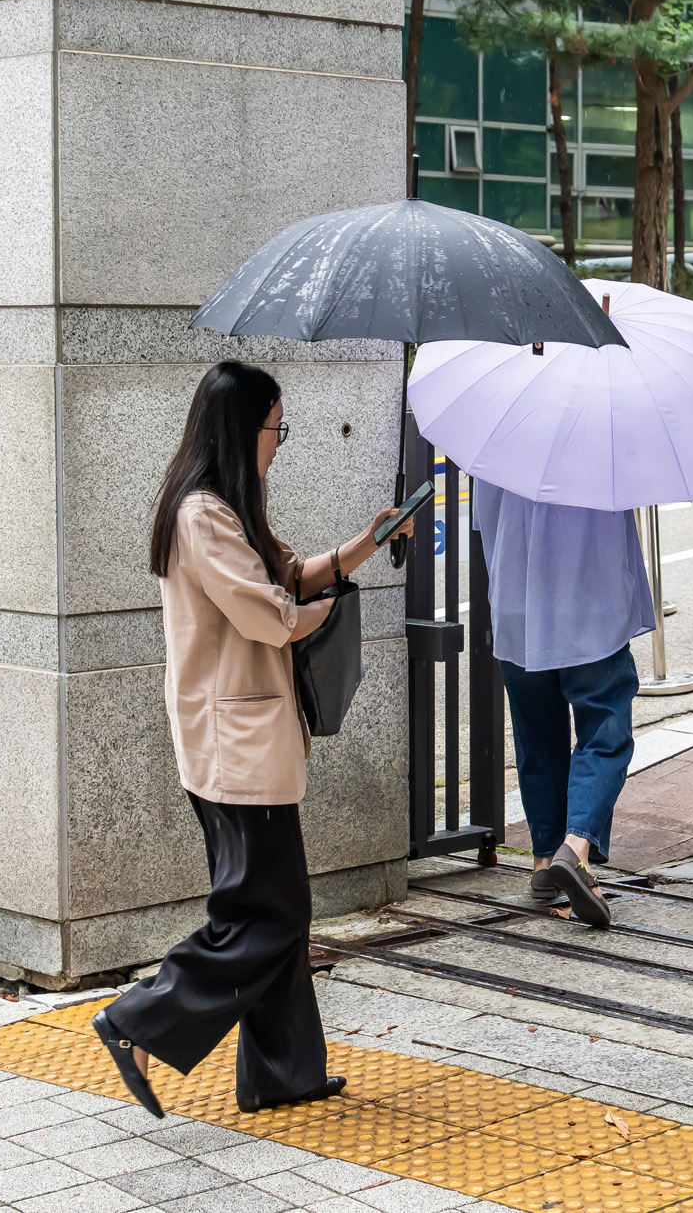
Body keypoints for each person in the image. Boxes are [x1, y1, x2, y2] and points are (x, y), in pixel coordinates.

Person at [94, 360, 411, 1118]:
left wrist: (359, 551)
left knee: (275, 912)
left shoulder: (230, 508)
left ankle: (283, 1071)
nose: (280, 444)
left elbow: (288, 577)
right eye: (277, 429)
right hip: (233, 747)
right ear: (245, 429)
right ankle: (138, 1019)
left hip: (245, 741)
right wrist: (327, 614)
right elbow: (267, 614)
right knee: (264, 917)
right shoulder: (202, 515)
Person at [471, 479, 654, 928]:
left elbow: (483, 522)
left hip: (518, 609)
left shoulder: (499, 427)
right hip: (591, 606)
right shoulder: (602, 423)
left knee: (538, 737)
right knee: (605, 731)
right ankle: (576, 848)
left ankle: (542, 862)